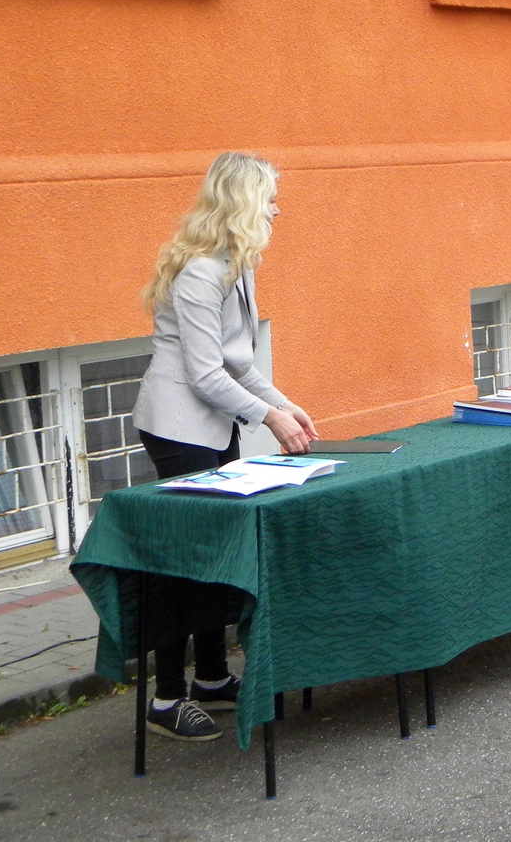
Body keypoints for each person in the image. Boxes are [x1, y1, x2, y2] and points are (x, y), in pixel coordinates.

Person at [130, 152, 319, 740]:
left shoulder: (236, 265)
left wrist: (285, 404)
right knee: (185, 562)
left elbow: (239, 363)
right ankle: (166, 698)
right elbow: (205, 375)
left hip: (214, 424)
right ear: (243, 202)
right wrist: (270, 418)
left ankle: (211, 678)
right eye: (270, 198)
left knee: (217, 553)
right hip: (177, 427)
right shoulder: (199, 273)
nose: (277, 210)